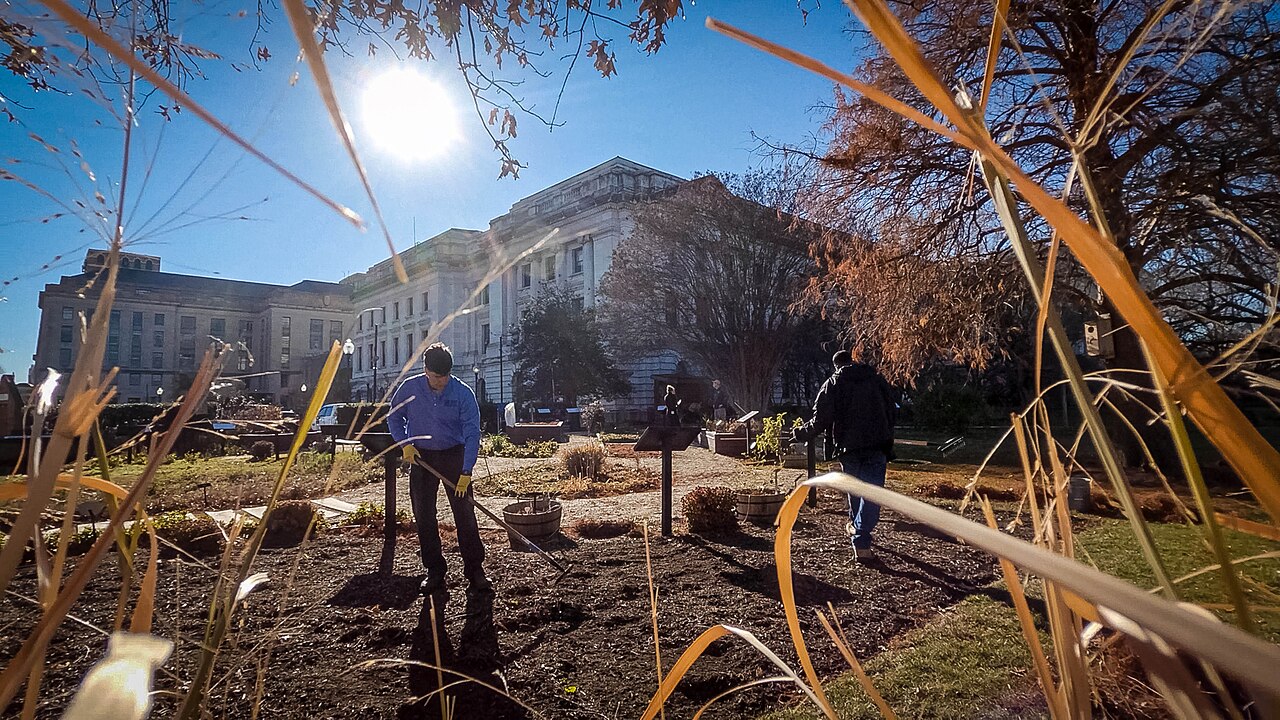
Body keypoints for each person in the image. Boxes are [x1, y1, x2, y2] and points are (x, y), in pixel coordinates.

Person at [388, 342, 491, 595]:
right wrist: (405, 444)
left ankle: (475, 570)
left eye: (445, 377)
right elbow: (393, 417)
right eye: (436, 377)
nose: (441, 382)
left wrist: (466, 471)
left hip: (453, 456)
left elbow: (471, 433)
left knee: (465, 514)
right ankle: (434, 571)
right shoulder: (409, 389)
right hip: (421, 458)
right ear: (425, 370)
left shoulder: (462, 393)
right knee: (424, 515)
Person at [793, 350, 897, 563]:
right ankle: (860, 532)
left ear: (836, 365)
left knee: (855, 488)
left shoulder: (833, 383)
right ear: (853, 360)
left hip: (849, 447)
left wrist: (802, 433)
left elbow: (821, 417)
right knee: (873, 492)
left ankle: (859, 536)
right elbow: (893, 410)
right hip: (877, 444)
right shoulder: (877, 380)